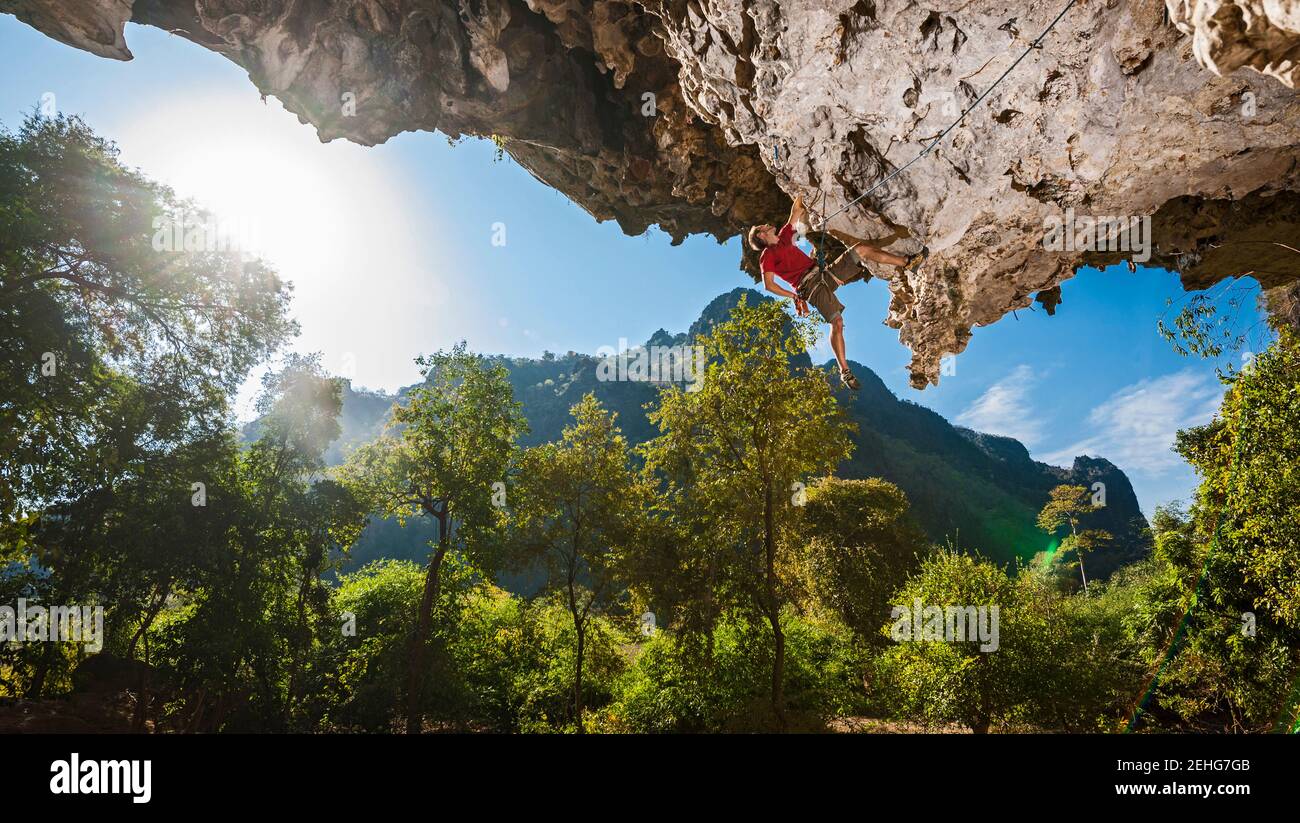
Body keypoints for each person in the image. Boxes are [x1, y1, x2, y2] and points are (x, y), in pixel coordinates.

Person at [749, 195, 926, 389]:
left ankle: (908, 263)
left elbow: (796, 211)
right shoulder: (767, 256)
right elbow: (769, 285)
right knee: (837, 322)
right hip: (810, 287)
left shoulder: (784, 236)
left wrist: (802, 191)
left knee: (861, 250)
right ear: (761, 235)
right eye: (762, 227)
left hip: (823, 272)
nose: (765, 224)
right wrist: (794, 296)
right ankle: (845, 371)